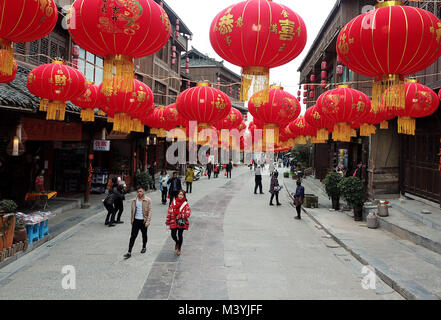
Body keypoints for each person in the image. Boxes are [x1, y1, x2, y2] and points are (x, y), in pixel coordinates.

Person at [123, 187, 152, 259]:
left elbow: (150, 211)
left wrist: (148, 221)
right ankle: (129, 252)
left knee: (144, 235)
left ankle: (144, 247)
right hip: (136, 221)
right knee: (133, 236)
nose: (139, 193)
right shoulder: (134, 200)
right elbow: (132, 211)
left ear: (144, 191)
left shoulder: (148, 200)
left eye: (141, 191)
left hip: (143, 221)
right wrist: (132, 219)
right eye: (138, 191)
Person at [165, 190, 191, 256]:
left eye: (182, 195)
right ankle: (177, 242)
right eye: (179, 194)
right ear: (177, 195)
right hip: (173, 221)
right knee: (173, 235)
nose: (180, 196)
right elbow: (169, 213)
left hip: (181, 222)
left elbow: (188, 213)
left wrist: (180, 215)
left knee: (180, 235)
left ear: (184, 196)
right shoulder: (173, 203)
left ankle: (179, 248)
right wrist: (167, 222)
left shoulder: (185, 204)